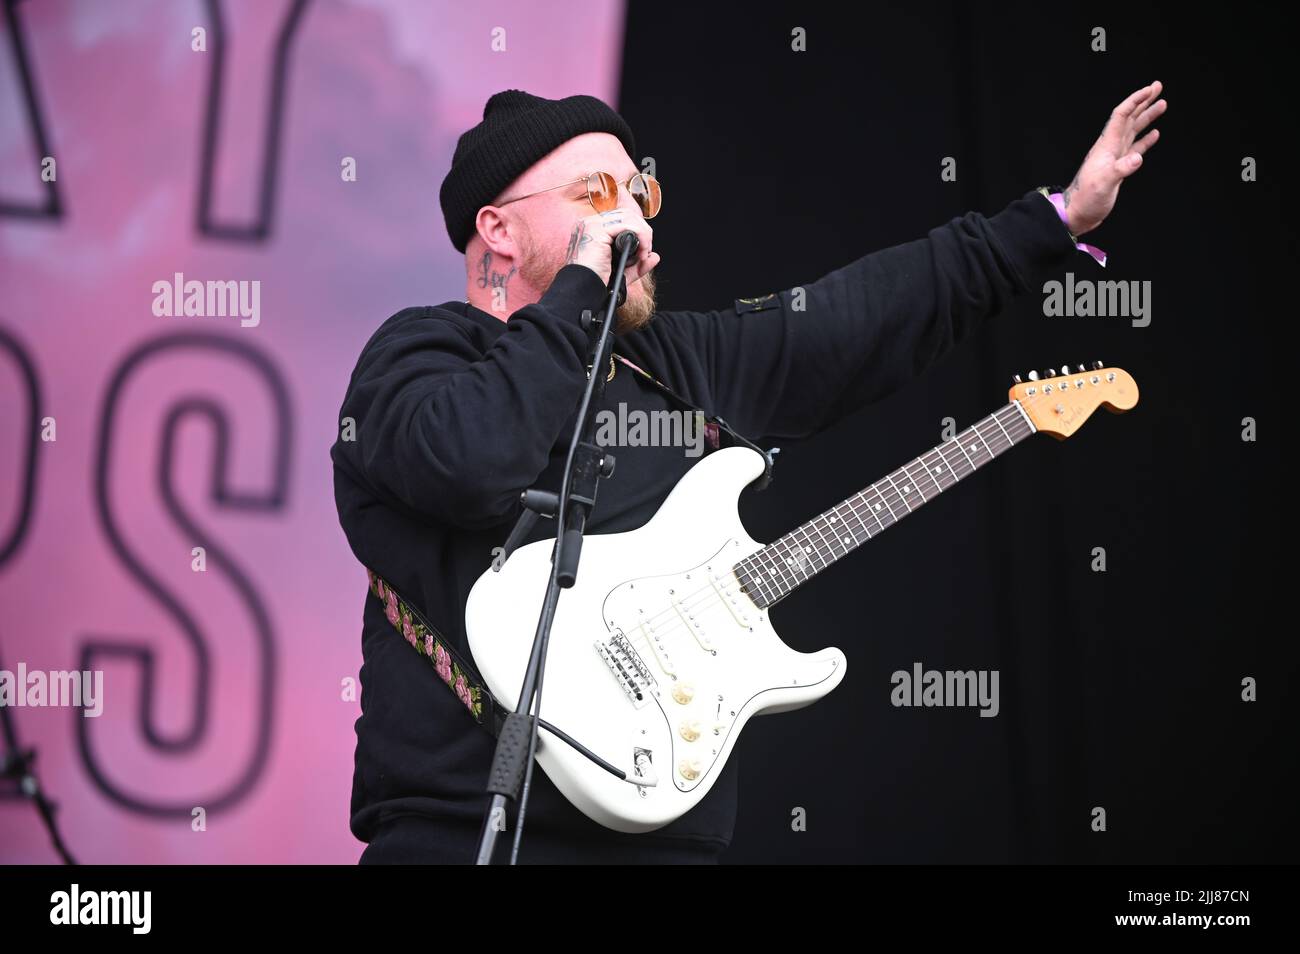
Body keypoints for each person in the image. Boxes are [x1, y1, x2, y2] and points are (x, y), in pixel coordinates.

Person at [330, 84, 1165, 864]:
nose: (631, 221)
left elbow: (862, 315)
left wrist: (1053, 220)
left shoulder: (676, 363)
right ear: (498, 232)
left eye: (637, 195)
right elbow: (472, 463)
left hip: (665, 839)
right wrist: (582, 287)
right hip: (459, 836)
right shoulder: (419, 357)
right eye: (594, 197)